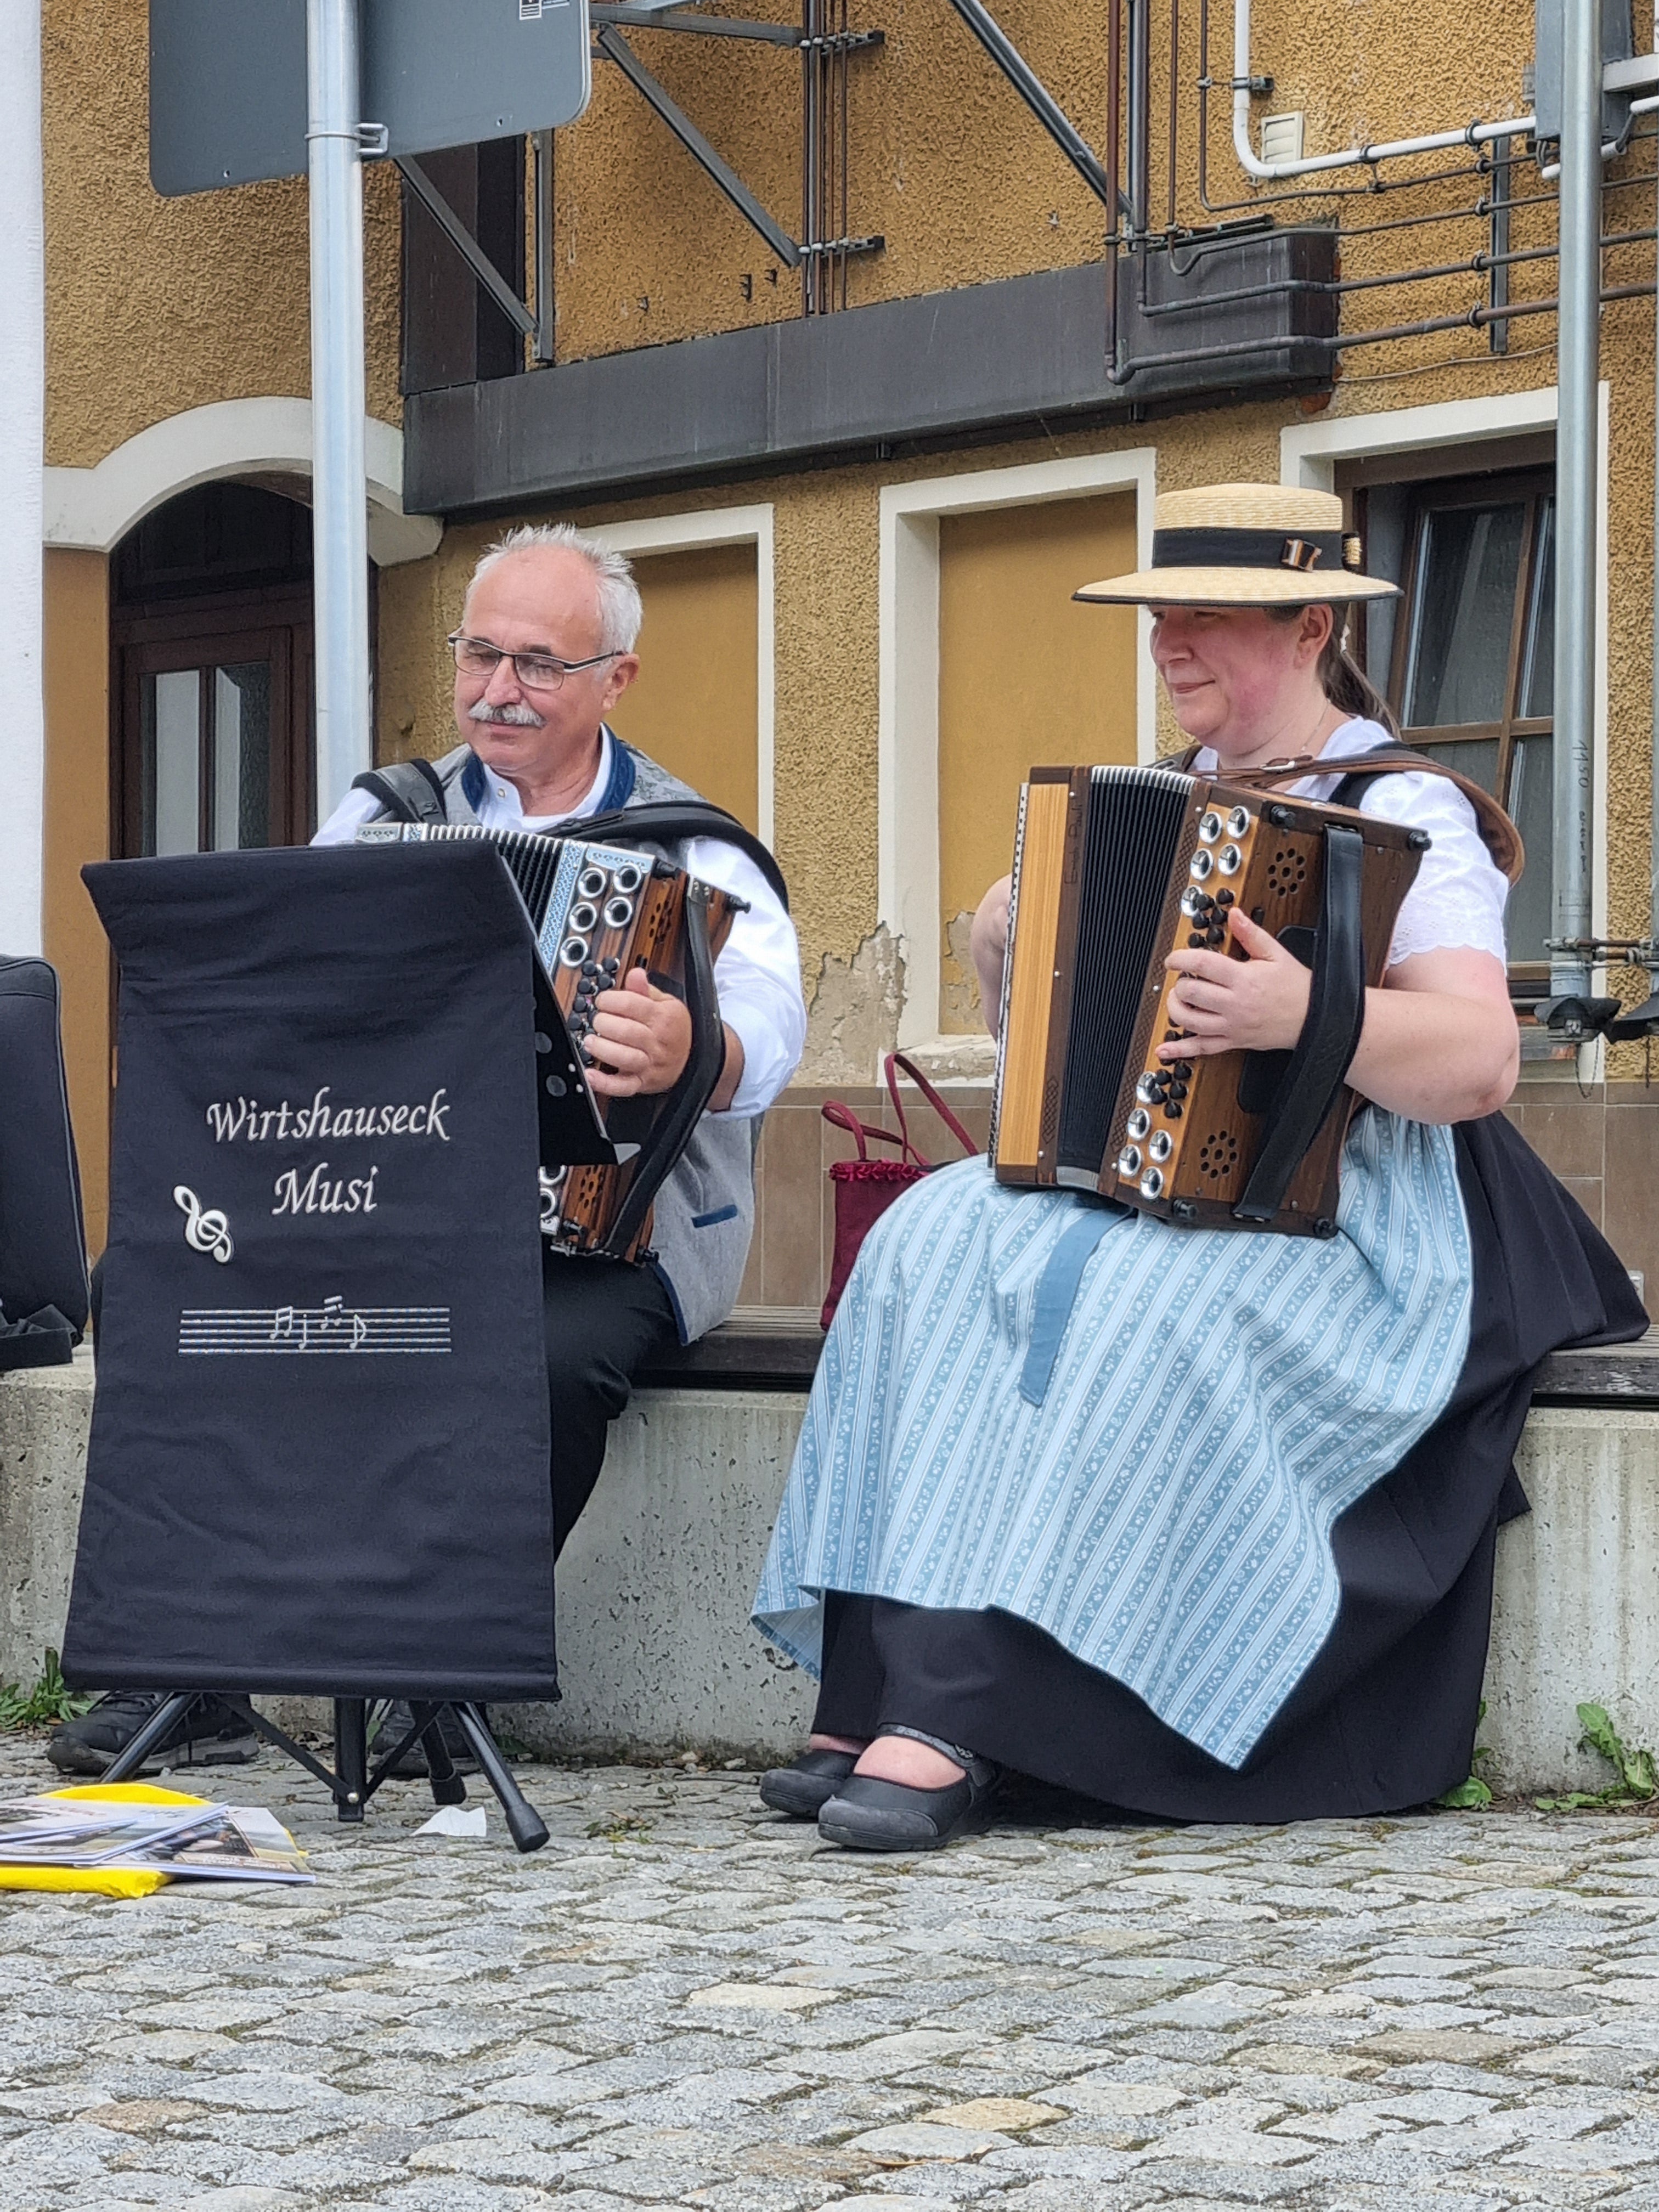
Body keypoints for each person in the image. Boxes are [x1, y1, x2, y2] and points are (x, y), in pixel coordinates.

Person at [753, 481, 1645, 1852]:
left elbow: (1476, 1062)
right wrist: (1007, 951)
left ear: (1305, 628)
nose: (1170, 644)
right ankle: (874, 1675)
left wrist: (1308, 1017)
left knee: (1137, 1306)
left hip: (1356, 1205)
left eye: (1207, 619)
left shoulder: (1405, 805)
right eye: (1162, 616)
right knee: (928, 1241)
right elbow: (1081, 1051)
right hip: (1153, 1182)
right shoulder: (1156, 795)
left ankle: (973, 1716)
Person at [50, 522, 806, 1777]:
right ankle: (193, 1662)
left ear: (615, 677)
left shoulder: (694, 845)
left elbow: (773, 1028)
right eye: (480, 655)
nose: (497, 690)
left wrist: (696, 1045)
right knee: (156, 1293)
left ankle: (438, 1668)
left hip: (616, 1232)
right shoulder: (388, 814)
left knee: (549, 1354)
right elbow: (284, 974)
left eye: (537, 665)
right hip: (382, 1208)